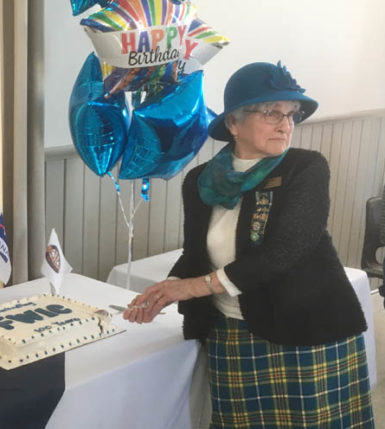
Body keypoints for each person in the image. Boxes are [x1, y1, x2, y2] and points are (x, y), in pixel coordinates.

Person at [123, 61, 374, 427]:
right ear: (233, 124)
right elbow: (197, 254)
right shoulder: (199, 181)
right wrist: (163, 292)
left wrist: (193, 287)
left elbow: (286, 250)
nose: (286, 124)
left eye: (292, 114)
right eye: (272, 112)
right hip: (233, 330)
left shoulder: (305, 168)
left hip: (306, 330)